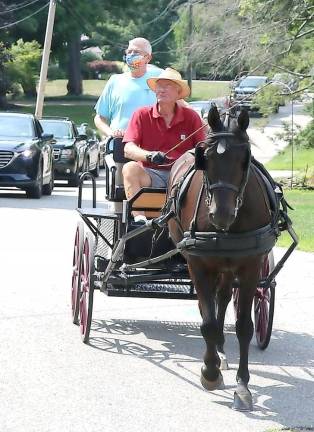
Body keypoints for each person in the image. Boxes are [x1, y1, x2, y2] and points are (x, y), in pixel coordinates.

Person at [122, 68, 207, 223]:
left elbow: (203, 148)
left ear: (178, 92)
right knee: (129, 168)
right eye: (159, 86)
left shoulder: (191, 117)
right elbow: (128, 149)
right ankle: (140, 219)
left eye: (167, 86)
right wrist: (150, 155)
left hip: (184, 176)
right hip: (151, 173)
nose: (161, 89)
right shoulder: (141, 114)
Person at [94, 37, 162, 138]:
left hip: (151, 146)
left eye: (136, 52)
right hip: (119, 144)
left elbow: (180, 106)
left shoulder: (160, 79)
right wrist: (111, 133)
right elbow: (99, 118)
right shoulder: (115, 81)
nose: (131, 55)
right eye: (129, 52)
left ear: (148, 58)